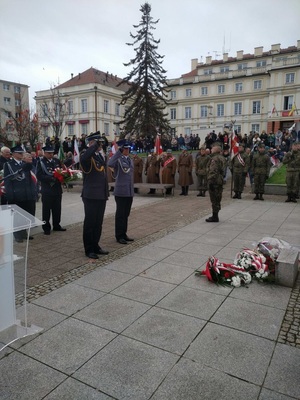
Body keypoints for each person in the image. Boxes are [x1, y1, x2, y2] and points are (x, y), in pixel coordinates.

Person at [80, 131, 109, 259]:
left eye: (101, 142)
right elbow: (84, 158)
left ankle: (96, 245)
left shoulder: (99, 156)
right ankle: (89, 249)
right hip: (90, 195)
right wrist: (93, 146)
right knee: (90, 223)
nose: (100, 145)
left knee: (98, 223)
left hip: (101, 194)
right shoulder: (86, 155)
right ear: (91, 143)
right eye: (98, 142)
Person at [3, 147, 37, 242]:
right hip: (16, 194)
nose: (22, 155)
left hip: (27, 193)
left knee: (25, 214)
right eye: (19, 153)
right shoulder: (8, 165)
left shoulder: (25, 164)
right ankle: (17, 234)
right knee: (17, 216)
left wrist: (32, 193)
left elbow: (29, 180)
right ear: (13, 154)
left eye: (22, 153)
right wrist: (10, 195)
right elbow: (7, 181)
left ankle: (24, 233)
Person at [108, 140, 134, 245]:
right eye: (125, 148)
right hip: (121, 191)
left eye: (128, 149)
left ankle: (124, 234)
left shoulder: (130, 160)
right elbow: (110, 163)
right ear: (122, 149)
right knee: (120, 214)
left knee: (126, 214)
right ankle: (119, 236)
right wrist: (118, 151)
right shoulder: (118, 160)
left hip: (129, 191)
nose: (127, 150)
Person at [36, 145, 66, 235]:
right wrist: (52, 179)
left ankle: (56, 225)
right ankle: (46, 228)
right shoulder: (41, 162)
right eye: (49, 153)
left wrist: (64, 177)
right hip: (47, 190)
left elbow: (62, 170)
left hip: (57, 189)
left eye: (52, 153)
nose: (51, 155)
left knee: (57, 209)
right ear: (44, 153)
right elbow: (39, 176)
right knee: (46, 210)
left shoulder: (56, 161)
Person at [206, 143, 225, 222]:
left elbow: (213, 171)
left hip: (214, 181)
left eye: (212, 148)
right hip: (219, 180)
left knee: (214, 199)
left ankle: (215, 216)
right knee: (217, 198)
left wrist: (210, 181)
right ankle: (215, 215)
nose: (211, 149)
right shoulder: (221, 158)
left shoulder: (215, 158)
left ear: (216, 149)